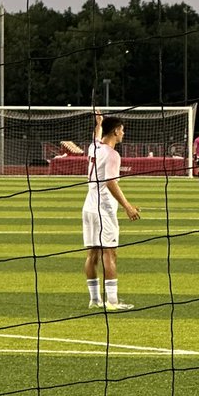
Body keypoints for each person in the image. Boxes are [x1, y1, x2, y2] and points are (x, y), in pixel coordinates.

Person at [83, 112, 141, 311]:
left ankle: (94, 300)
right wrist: (128, 207)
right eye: (122, 130)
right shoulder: (112, 154)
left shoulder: (94, 147)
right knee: (110, 253)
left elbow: (96, 136)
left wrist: (98, 123)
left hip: (88, 208)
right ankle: (113, 301)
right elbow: (110, 183)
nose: (123, 133)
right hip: (103, 210)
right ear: (116, 131)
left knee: (92, 254)